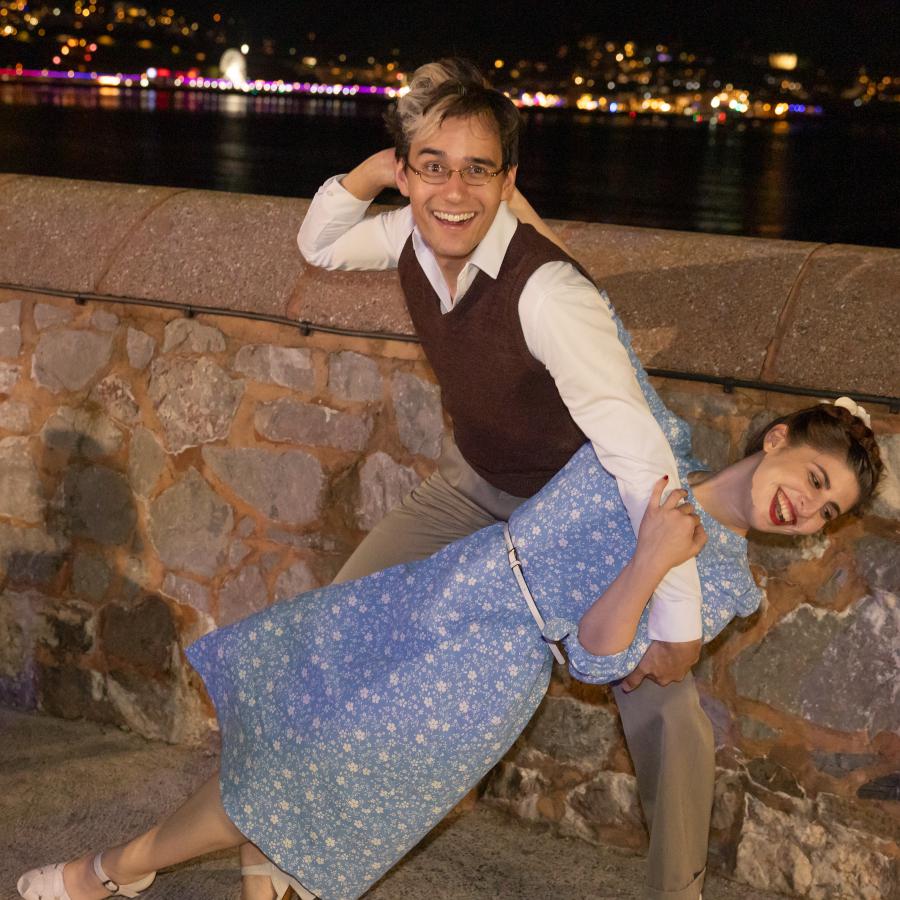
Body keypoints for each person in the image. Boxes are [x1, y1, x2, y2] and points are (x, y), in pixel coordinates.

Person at [16, 377, 882, 900]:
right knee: (296, 733)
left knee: (313, 771)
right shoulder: (651, 436)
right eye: (813, 477)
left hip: (487, 669)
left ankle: (113, 869)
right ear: (777, 439)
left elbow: (596, 655)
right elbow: (573, 314)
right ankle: (214, 871)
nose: (805, 506)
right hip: (447, 585)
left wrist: (654, 557)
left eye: (828, 509)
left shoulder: (719, 584)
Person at [293, 57, 709, 900]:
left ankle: (680, 891)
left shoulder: (548, 293)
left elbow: (639, 455)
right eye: (433, 167)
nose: (454, 192)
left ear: (508, 181)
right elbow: (321, 243)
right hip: (476, 488)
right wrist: (376, 172)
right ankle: (303, 843)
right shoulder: (411, 234)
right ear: (407, 174)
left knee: (666, 709)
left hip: (583, 505)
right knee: (341, 621)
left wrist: (680, 619)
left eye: (477, 170)